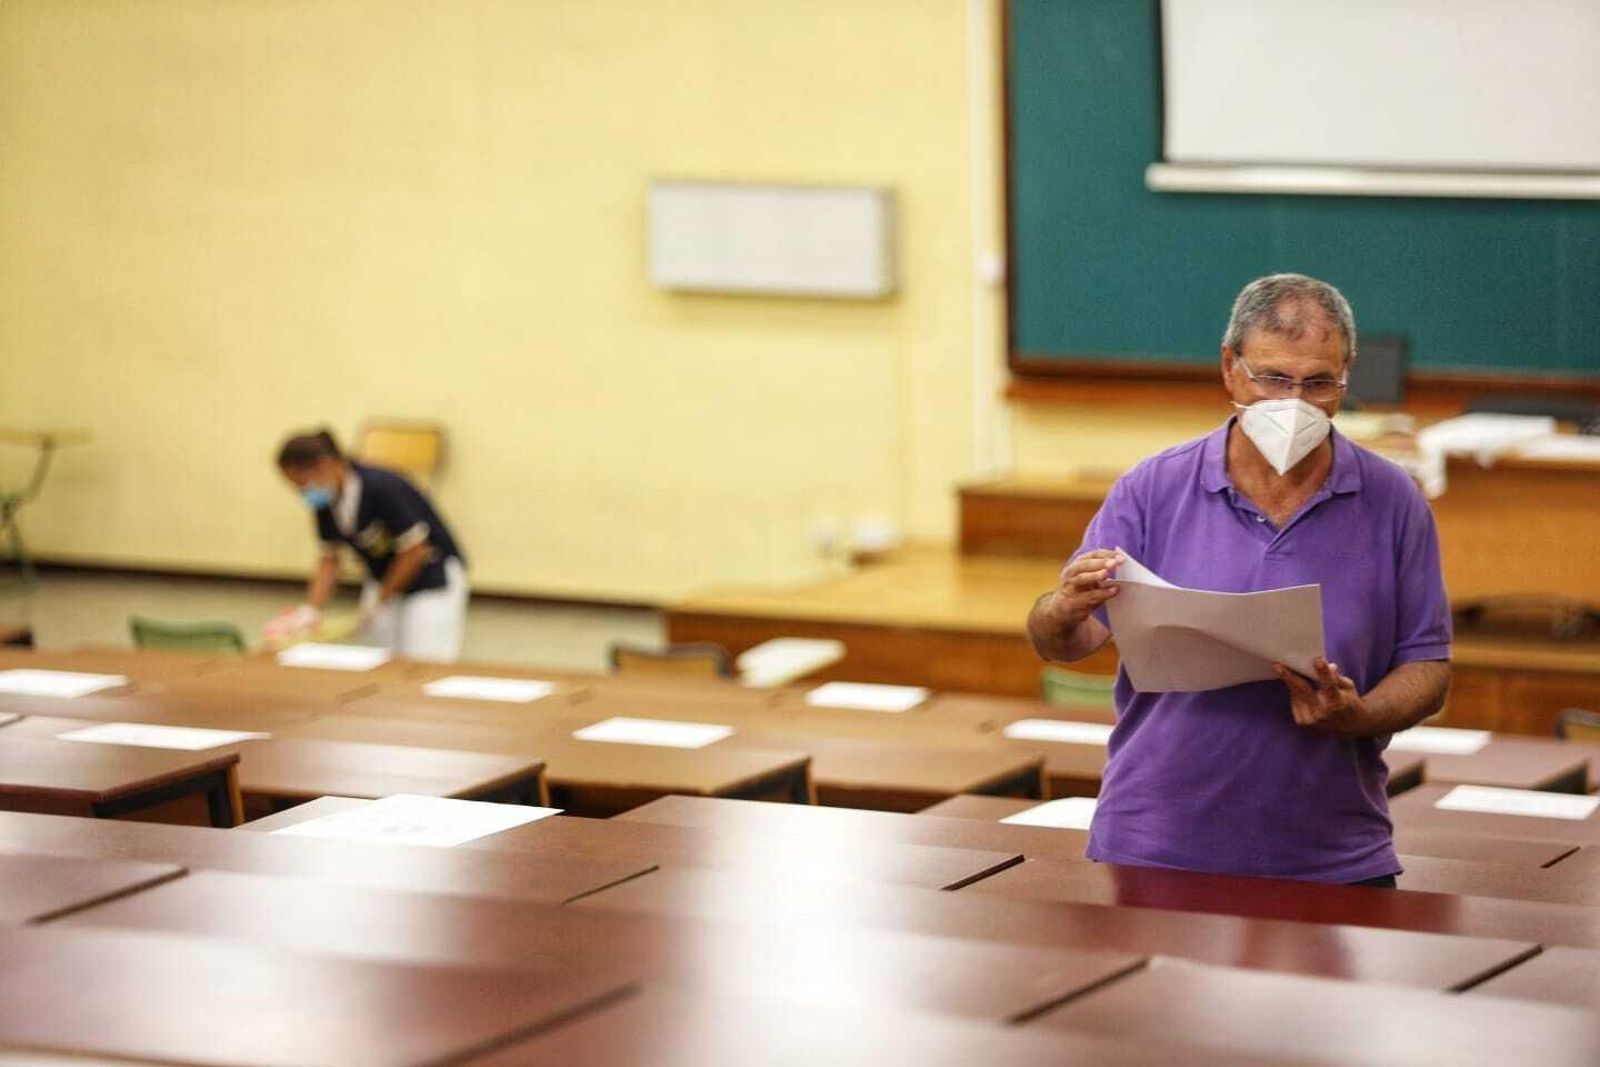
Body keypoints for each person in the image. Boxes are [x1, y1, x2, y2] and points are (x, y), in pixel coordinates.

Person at [1026, 273, 1451, 888]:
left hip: (1331, 856)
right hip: (1156, 845)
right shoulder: (1153, 488)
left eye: (1319, 383)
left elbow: (1428, 668)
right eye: (1273, 378)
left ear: (1346, 377)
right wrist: (1061, 608)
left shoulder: (1393, 501)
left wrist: (1358, 716)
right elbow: (1063, 641)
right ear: (1230, 368)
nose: (1295, 403)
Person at [276, 429, 469, 662]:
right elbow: (329, 559)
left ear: (325, 465)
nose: (302, 492)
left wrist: (381, 597)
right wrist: (311, 610)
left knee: (425, 659)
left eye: (302, 483)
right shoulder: (327, 502)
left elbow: (416, 550)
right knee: (381, 658)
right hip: (385, 578)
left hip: (432, 578)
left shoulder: (382, 487)